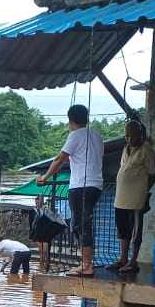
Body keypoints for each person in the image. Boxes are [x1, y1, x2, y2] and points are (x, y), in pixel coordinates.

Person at [38, 104, 104, 277]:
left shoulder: (75, 135)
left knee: (81, 224)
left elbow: (60, 159)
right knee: (81, 223)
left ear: (71, 121)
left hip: (81, 185)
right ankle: (86, 261)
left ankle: (86, 264)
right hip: (96, 185)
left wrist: (44, 178)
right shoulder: (96, 135)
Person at [107, 119, 155, 274]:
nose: (129, 139)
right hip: (120, 198)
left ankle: (133, 261)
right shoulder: (126, 148)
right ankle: (123, 258)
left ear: (140, 135)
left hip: (135, 199)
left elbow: (153, 174)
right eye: (127, 136)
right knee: (123, 230)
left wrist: (143, 190)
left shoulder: (146, 150)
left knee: (135, 231)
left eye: (132, 136)